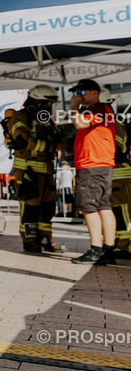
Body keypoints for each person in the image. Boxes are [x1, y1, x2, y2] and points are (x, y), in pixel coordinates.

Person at [5, 85, 64, 252]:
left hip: (46, 171)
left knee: (48, 207)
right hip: (27, 171)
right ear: (38, 102)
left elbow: (57, 133)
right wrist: (52, 146)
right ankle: (30, 240)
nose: (49, 107)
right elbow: (24, 140)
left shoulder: (45, 119)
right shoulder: (20, 117)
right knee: (30, 207)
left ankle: (45, 239)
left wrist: (66, 139)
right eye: (47, 103)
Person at [69, 79, 117, 264]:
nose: (77, 97)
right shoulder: (103, 110)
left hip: (92, 165)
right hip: (101, 164)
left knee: (89, 207)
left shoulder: (95, 109)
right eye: (76, 93)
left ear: (94, 93)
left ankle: (96, 250)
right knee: (103, 206)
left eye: (81, 93)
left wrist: (74, 108)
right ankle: (108, 249)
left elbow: (80, 124)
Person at [99, 89, 131, 256]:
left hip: (118, 175)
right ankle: (121, 243)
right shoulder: (110, 123)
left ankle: (124, 245)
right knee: (117, 211)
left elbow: (116, 150)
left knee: (121, 210)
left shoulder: (113, 125)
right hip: (113, 175)